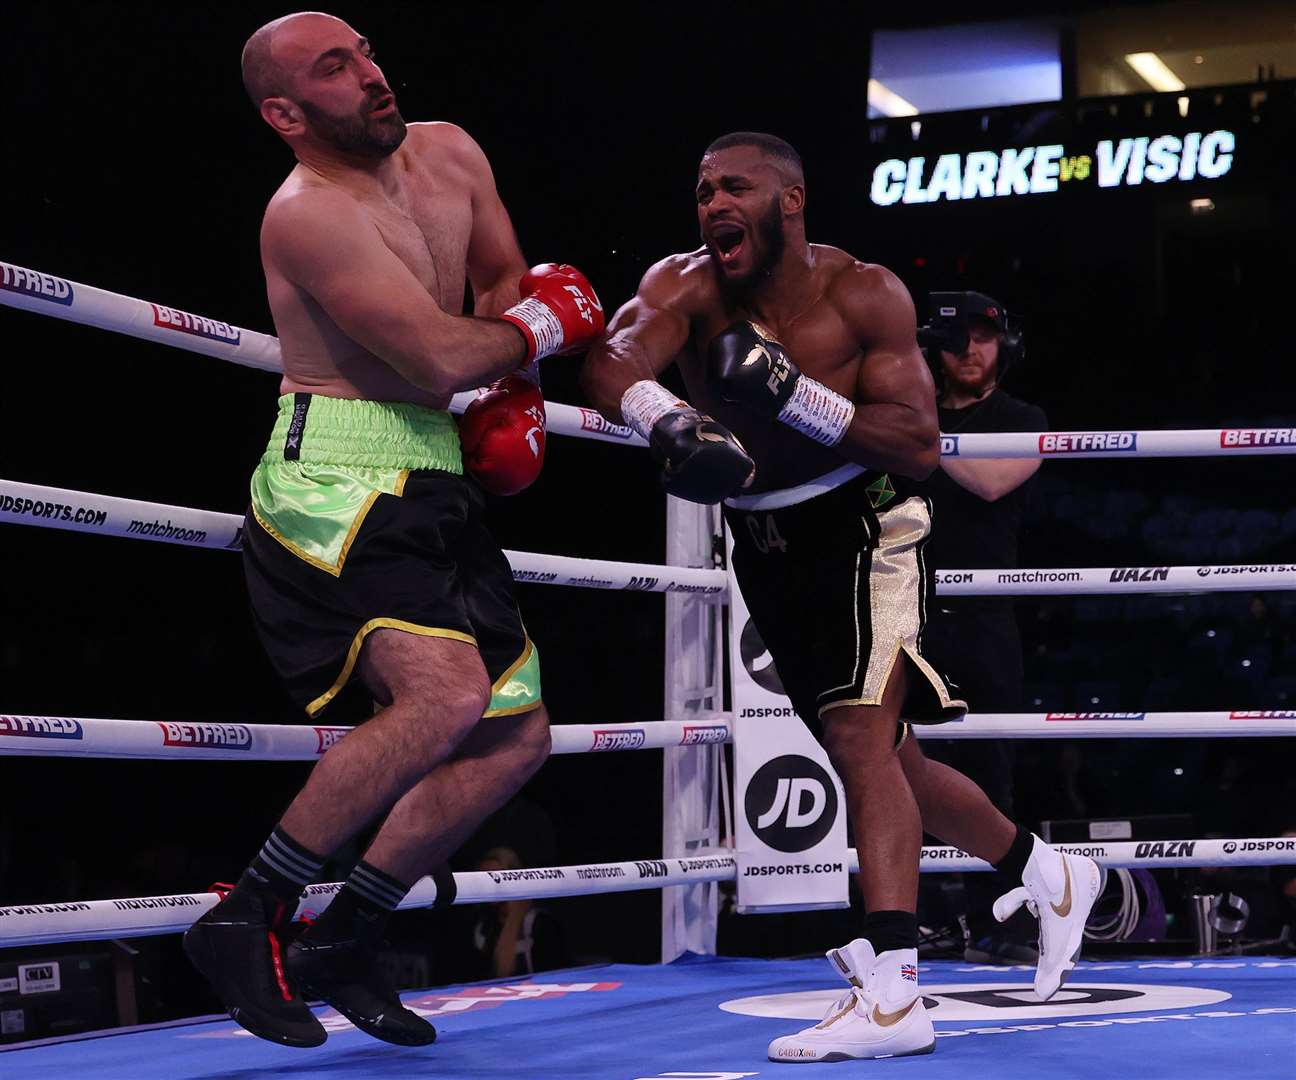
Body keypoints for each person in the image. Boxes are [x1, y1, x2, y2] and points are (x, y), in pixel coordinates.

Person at [580, 132, 1099, 1063]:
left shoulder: (865, 293)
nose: (710, 204)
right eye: (701, 190)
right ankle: (1046, 871)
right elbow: (613, 357)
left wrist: (795, 396)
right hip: (763, 541)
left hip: (866, 524)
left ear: (791, 200)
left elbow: (918, 444)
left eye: (734, 186)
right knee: (884, 754)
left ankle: (896, 991)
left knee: (862, 734)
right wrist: (668, 414)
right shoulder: (685, 286)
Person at [182, 13, 604, 1050]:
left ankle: (353, 929)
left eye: (366, 51)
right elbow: (435, 353)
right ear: (286, 114)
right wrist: (539, 331)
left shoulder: (451, 150)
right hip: (335, 473)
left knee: (515, 734)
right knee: (447, 692)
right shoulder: (306, 215)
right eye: (336, 69)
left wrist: (517, 376)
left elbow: (503, 287)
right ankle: (248, 914)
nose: (372, 75)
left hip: (435, 464)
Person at [916, 291, 1049, 963]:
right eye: (955, 337)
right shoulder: (907, 416)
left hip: (985, 620)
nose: (970, 349)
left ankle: (1009, 921)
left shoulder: (1023, 418)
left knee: (991, 773)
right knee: (912, 771)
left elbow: (994, 482)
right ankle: (933, 920)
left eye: (984, 337)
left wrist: (915, 430)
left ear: (1007, 345)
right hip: (907, 614)